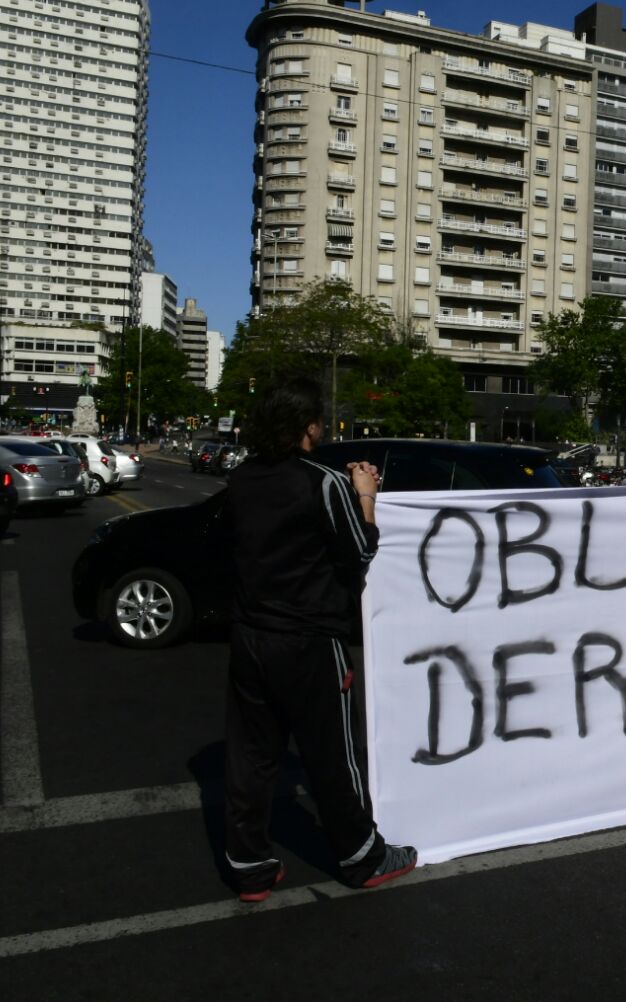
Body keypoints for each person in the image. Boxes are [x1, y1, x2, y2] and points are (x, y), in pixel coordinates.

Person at [221, 377, 417, 902]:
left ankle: (249, 865)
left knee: (251, 755)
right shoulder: (322, 481)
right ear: (309, 426)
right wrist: (367, 498)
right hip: (309, 639)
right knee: (331, 754)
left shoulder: (240, 480)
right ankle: (362, 856)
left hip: (250, 636)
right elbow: (359, 550)